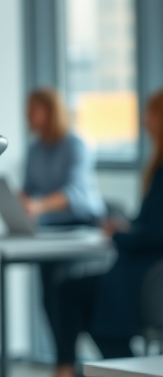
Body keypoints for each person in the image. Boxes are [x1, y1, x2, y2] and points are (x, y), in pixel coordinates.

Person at [51, 89, 163, 377]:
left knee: (79, 296)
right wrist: (127, 228)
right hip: (140, 269)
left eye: (149, 112)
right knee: (75, 293)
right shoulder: (157, 166)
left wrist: (120, 236)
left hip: (147, 275)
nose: (144, 119)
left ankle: (68, 368)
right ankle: (70, 368)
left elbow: (156, 233)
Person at [21, 87, 107, 353]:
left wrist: (39, 205)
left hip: (82, 227)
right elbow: (29, 187)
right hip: (50, 229)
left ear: (49, 111)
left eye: (34, 109)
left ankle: (67, 362)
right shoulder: (35, 149)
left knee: (64, 294)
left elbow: (75, 191)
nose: (28, 115)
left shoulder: (75, 144)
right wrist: (21, 202)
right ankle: (64, 360)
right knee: (48, 297)